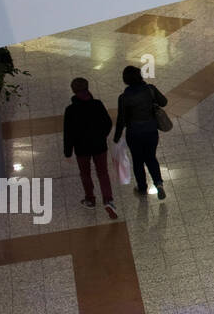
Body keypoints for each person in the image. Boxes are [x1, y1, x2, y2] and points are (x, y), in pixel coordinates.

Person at [63, 77, 116, 218]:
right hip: (99, 145)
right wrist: (101, 136)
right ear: (88, 88)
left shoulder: (70, 110)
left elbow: (68, 133)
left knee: (85, 174)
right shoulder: (97, 104)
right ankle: (108, 200)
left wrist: (68, 151)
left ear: (74, 91)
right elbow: (108, 123)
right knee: (103, 173)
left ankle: (90, 199)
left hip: (82, 148)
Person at [113, 65, 168, 199]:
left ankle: (142, 187)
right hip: (151, 130)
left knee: (138, 160)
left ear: (125, 80)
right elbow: (164, 102)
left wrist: (117, 137)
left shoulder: (123, 97)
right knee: (151, 157)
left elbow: (121, 120)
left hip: (134, 133)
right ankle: (159, 183)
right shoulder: (150, 89)